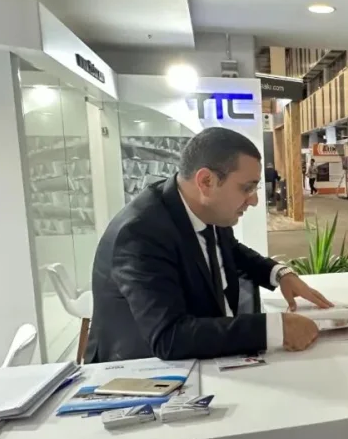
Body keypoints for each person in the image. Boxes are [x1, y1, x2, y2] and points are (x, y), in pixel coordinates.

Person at [85, 127, 333, 364]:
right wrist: (274, 328)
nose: (254, 200)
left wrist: (280, 274)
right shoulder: (141, 234)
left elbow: (231, 251)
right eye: (247, 188)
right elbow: (169, 336)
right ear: (206, 181)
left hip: (199, 361)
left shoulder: (205, 208)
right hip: (140, 372)